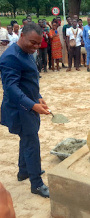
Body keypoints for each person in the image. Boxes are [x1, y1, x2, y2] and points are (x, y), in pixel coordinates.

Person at [0, 22, 50, 198]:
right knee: (31, 143)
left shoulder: (27, 52)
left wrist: (38, 96)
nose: (36, 47)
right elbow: (11, 88)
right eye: (33, 42)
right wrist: (32, 105)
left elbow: (28, 80)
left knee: (27, 139)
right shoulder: (10, 57)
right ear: (21, 36)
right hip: (19, 109)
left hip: (28, 103)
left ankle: (24, 172)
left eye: (39, 43)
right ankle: (36, 184)